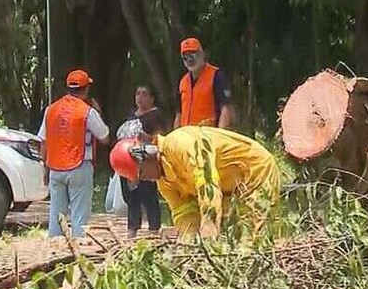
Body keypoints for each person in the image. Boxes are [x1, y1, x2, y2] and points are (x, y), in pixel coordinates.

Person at [109, 126, 280, 238]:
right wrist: (188, 245)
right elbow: (184, 213)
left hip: (254, 172)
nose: (145, 180)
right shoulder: (165, 183)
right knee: (231, 237)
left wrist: (208, 229)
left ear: (147, 153)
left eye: (141, 173)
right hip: (229, 189)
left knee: (252, 237)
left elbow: (207, 182)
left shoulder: (180, 143)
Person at [37, 69, 110, 238]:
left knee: (56, 215)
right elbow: (105, 137)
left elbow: (43, 141)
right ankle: (79, 254)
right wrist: (98, 114)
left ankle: (55, 252)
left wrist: (45, 168)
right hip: (80, 166)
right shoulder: (87, 112)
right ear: (85, 89)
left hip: (55, 167)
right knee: (80, 216)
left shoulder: (51, 110)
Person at [115, 85, 167, 238]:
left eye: (144, 94)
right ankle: (132, 229)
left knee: (149, 196)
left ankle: (154, 230)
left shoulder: (156, 116)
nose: (140, 97)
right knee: (132, 197)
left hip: (146, 161)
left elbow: (161, 138)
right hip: (128, 160)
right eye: (137, 93)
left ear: (152, 98)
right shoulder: (131, 116)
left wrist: (148, 137)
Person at [175, 37, 234, 129]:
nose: (189, 60)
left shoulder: (216, 76)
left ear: (202, 54)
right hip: (186, 137)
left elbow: (226, 108)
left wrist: (219, 135)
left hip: (208, 136)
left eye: (192, 56)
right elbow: (179, 113)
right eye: (185, 58)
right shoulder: (183, 81)